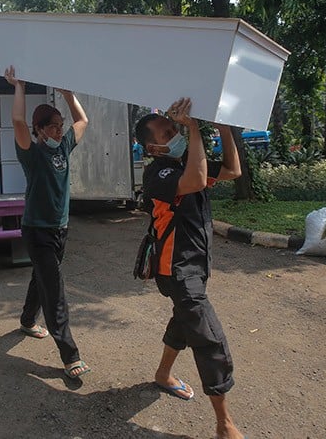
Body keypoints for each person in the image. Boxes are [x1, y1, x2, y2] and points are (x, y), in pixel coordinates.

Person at [135, 98, 243, 439]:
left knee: (183, 320)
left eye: (175, 127)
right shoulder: (158, 174)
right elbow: (195, 180)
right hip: (176, 270)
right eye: (168, 131)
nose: (175, 131)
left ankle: (163, 374)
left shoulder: (184, 159)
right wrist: (195, 127)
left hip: (195, 265)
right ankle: (224, 425)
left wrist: (224, 127)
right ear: (153, 147)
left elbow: (231, 169)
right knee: (208, 338)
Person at [3, 65, 92, 379]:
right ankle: (70, 354)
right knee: (54, 288)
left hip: (60, 228)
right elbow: (16, 120)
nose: (59, 131)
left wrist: (68, 92)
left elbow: (82, 120)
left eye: (59, 125)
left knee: (41, 278)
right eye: (52, 127)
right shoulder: (31, 152)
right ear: (38, 129)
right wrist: (19, 86)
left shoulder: (64, 148)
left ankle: (28, 320)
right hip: (37, 230)